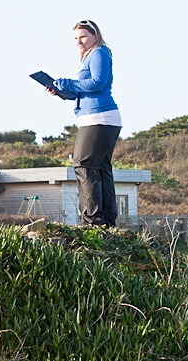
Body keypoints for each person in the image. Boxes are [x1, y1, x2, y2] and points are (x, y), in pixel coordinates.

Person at [49, 19, 122, 227]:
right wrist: (62, 92)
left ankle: (92, 221)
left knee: (84, 164)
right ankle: (107, 221)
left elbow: (98, 82)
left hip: (98, 118)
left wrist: (70, 83)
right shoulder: (90, 56)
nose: (79, 42)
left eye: (83, 37)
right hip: (100, 118)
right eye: (76, 38)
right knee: (100, 168)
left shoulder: (99, 52)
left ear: (95, 35)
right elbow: (82, 90)